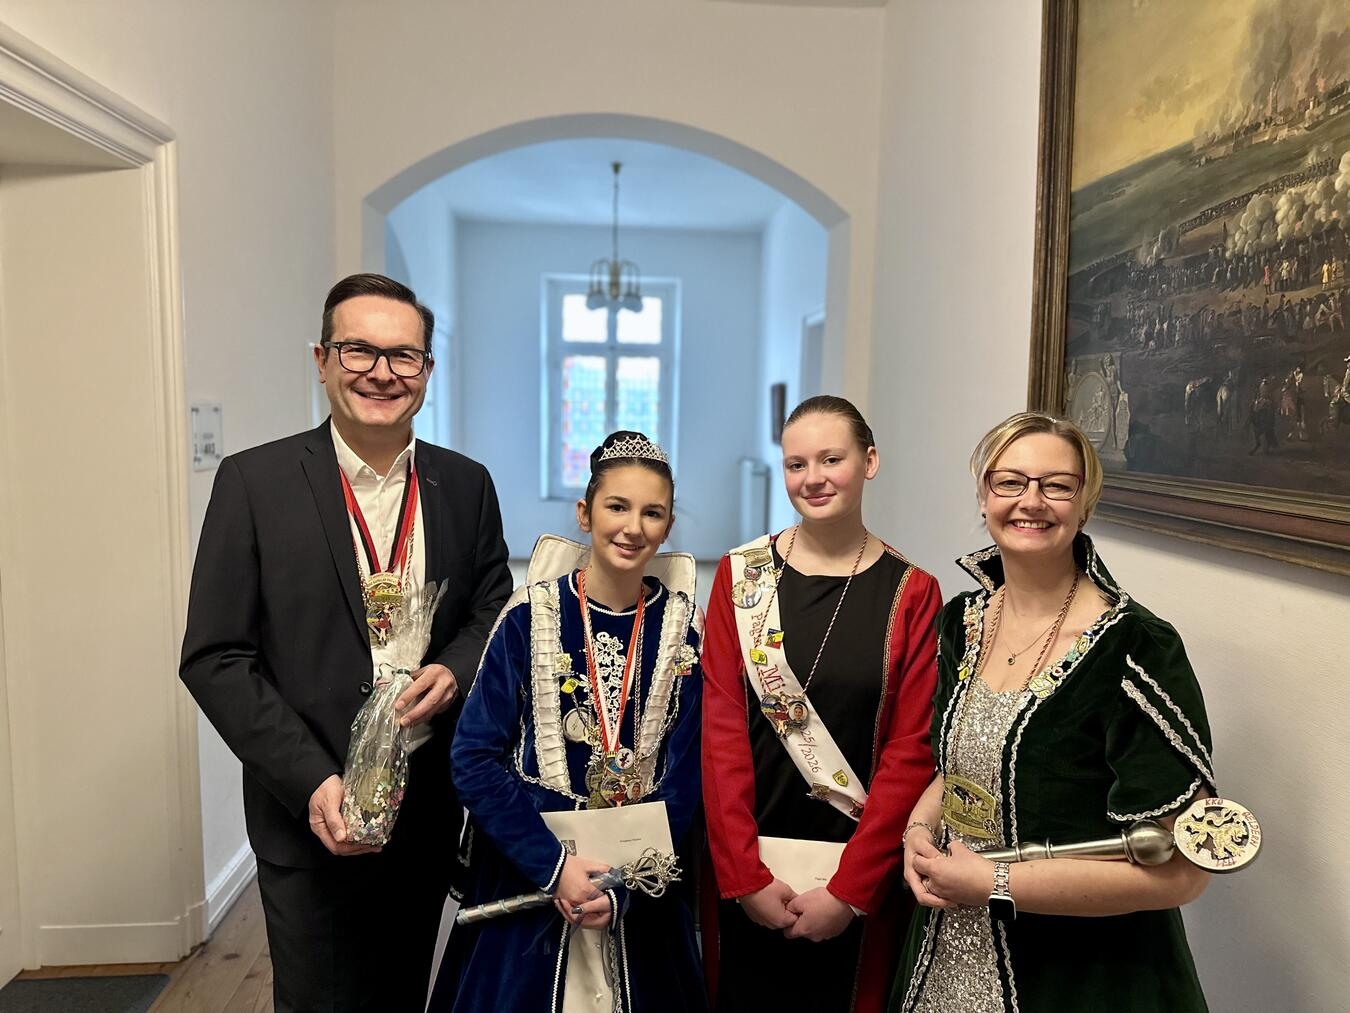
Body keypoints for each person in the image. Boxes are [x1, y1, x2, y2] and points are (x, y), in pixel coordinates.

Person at [179, 273, 512, 1011]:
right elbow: (215, 656)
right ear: (322, 359)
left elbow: (491, 603)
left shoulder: (465, 484)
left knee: (401, 992)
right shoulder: (253, 483)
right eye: (359, 349)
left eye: (404, 356)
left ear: (427, 370)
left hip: (426, 809)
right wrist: (311, 781)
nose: (381, 372)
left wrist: (455, 671)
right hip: (308, 811)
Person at [890, 411, 1214, 1013]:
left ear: (1084, 503)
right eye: (1009, 482)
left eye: (1056, 485)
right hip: (947, 947)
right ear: (984, 496)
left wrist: (994, 883)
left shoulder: (1135, 647)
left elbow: (1185, 871)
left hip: (1085, 972)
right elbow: (958, 765)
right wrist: (915, 830)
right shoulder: (962, 619)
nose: (1030, 501)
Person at [431, 431, 706, 1012]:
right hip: (533, 877)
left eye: (652, 512)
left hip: (638, 888)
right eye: (617, 506)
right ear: (585, 513)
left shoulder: (684, 630)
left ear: (668, 524)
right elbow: (473, 758)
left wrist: (628, 885)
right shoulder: (527, 618)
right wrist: (554, 867)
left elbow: (688, 775)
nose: (633, 527)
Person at [701, 395, 943, 1012]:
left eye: (831, 459)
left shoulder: (913, 592)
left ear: (870, 461)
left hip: (858, 869)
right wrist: (744, 876)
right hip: (752, 864)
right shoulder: (739, 575)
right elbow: (720, 728)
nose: (812, 479)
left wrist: (851, 890)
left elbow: (911, 750)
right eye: (795, 464)